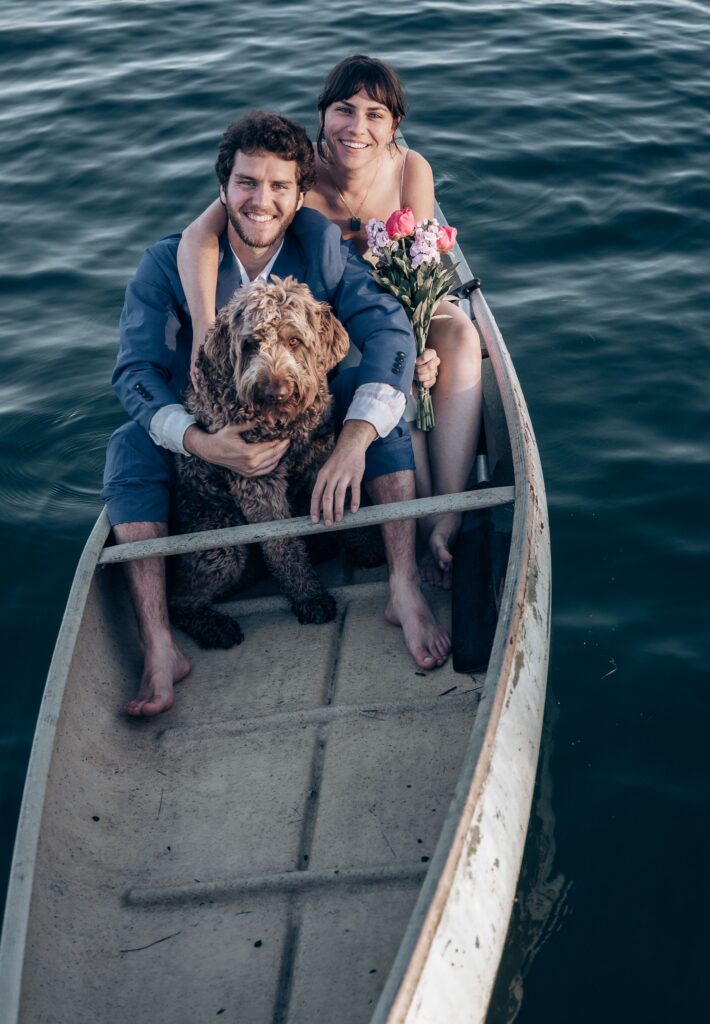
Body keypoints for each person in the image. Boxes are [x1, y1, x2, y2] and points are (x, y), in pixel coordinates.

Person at [102, 110, 451, 718]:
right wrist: (200, 442)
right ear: (223, 188)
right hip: (214, 440)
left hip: (307, 432)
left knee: (372, 409)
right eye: (246, 183)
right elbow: (134, 374)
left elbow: (392, 335)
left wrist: (353, 442)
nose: (261, 201)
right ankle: (159, 642)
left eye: (279, 187)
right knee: (131, 443)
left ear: (299, 195)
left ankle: (402, 585)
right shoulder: (165, 265)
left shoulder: (321, 249)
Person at [178, 55, 483, 589]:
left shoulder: (412, 170)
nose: (357, 127)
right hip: (322, 314)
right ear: (322, 115)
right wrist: (206, 330)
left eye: (375, 114)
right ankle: (412, 528)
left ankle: (447, 511)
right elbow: (197, 236)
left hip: (397, 302)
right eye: (345, 110)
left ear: (394, 127)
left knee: (456, 335)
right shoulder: (294, 177)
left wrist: (417, 341)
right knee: (388, 376)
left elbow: (422, 261)